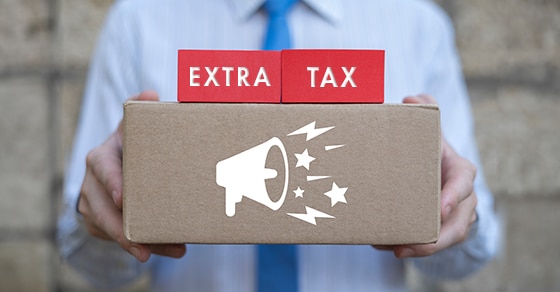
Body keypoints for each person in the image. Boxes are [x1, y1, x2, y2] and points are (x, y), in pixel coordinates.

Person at [57, 0, 500, 291]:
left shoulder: (418, 25)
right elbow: (92, 264)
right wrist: (101, 221)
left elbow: (467, 257)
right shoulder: (137, 22)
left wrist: (455, 216)